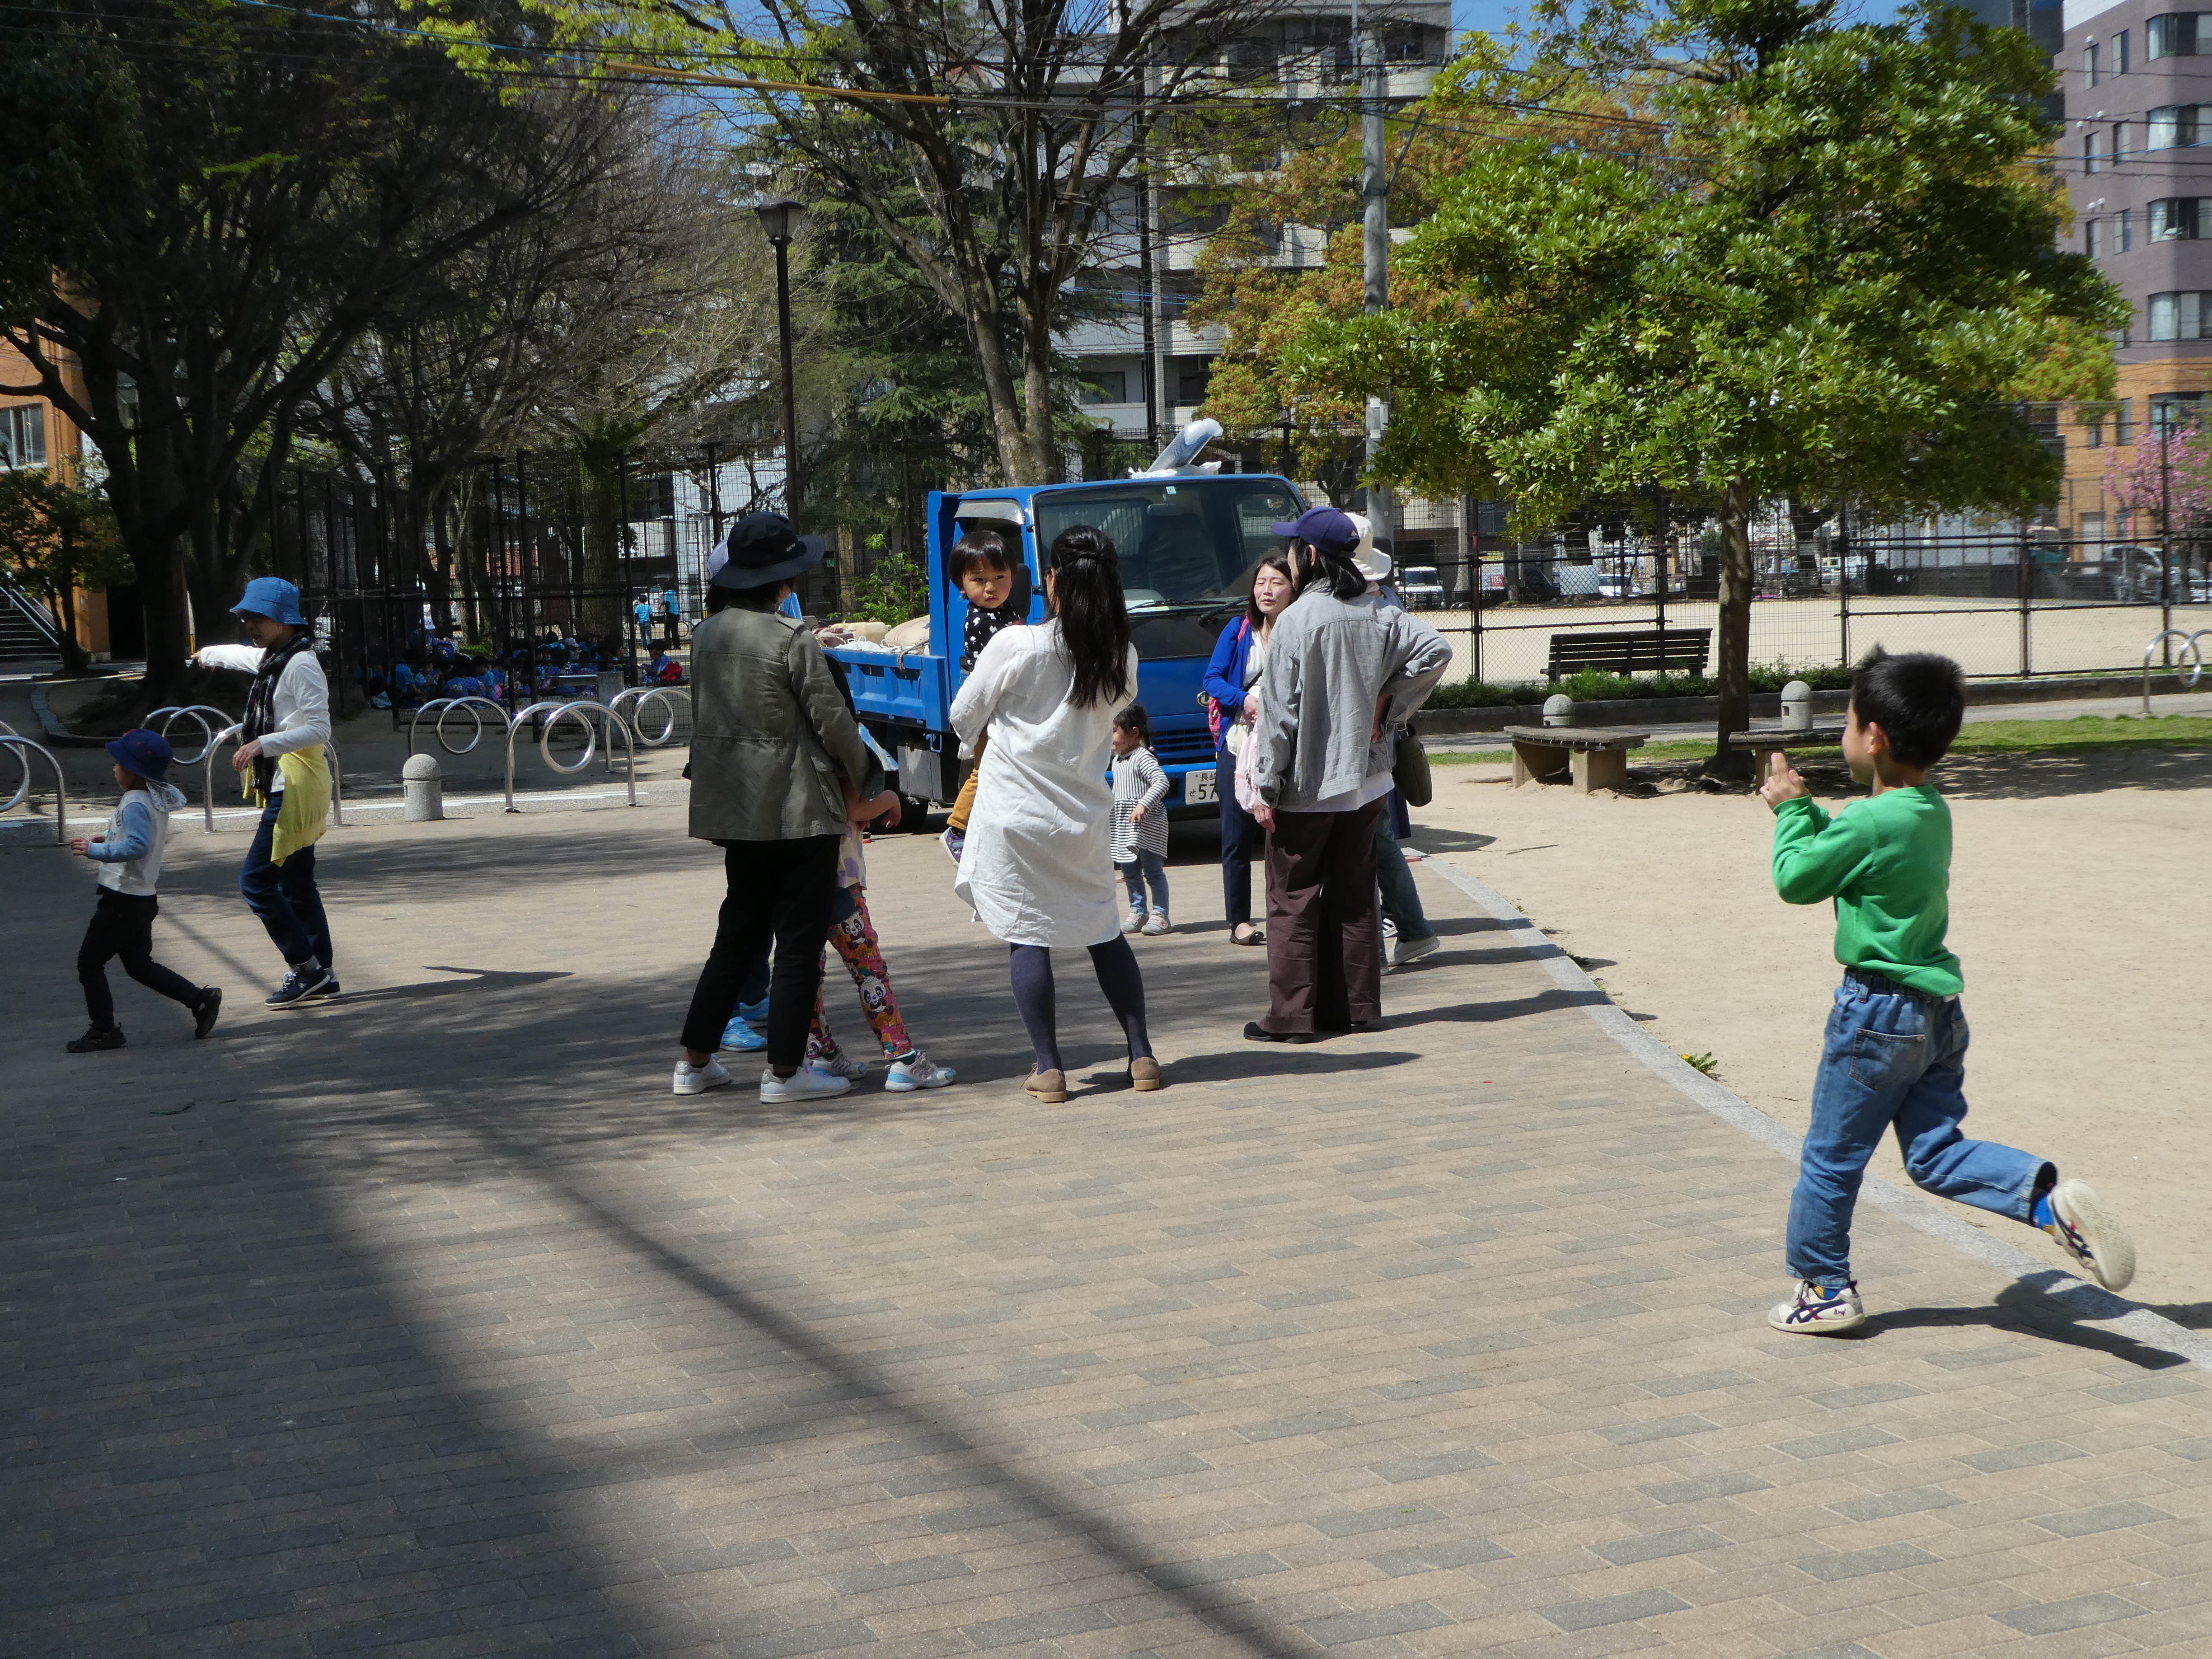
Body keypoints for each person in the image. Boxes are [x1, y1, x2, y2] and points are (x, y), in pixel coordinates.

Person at [1759, 648, 2135, 1334]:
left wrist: (1788, 812)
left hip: (1874, 1016)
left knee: (1829, 1161)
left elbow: (1798, 881)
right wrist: (1812, 813)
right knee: (1935, 1154)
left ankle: (1823, 1287)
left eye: (1847, 722)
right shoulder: (1928, 811)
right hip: (1935, 1016)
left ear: (1873, 737)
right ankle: (2048, 1202)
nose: (1843, 735)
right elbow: (1847, 865)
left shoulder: (1872, 822)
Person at [673, 512, 884, 1102]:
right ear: (782, 581)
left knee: (737, 935)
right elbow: (832, 719)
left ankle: (694, 1063)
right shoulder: (791, 640)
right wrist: (869, 776)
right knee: (796, 943)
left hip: (736, 810)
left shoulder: (706, 636)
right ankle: (786, 1073)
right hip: (798, 809)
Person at [951, 524, 1159, 1101]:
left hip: (1015, 814)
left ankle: (1050, 1069)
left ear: (1052, 581)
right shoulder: (1123, 654)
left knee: (1028, 936)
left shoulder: (1017, 644)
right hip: (1084, 814)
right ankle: (1141, 1056)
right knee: (1104, 933)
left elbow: (962, 716)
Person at [1245, 507, 1451, 1043]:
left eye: (1294, 548)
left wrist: (1265, 785)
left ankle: (1292, 1017)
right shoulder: (1379, 609)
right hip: (1368, 779)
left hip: (1307, 784)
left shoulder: (1296, 619)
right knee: (1356, 894)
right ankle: (1358, 1007)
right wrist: (1392, 706)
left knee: (1291, 898)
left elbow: (1279, 714)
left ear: (1309, 556)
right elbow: (1437, 650)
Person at [193, 578, 338, 1007]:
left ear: (284, 619)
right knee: (296, 885)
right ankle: (323, 974)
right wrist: (207, 655)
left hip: (296, 782)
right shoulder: (277, 658)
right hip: (291, 780)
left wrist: (263, 743)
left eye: (257, 617)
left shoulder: (300, 664)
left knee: (256, 883)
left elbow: (319, 729)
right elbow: (244, 656)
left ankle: (306, 969)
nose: (249, 624)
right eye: (245, 617)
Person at [65, 729, 222, 1052]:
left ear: (133, 770)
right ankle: (199, 1000)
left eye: (118, 764)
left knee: (89, 964)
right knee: (138, 964)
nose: (114, 769)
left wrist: (95, 852)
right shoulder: (153, 797)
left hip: (122, 899)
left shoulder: (135, 802)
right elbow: (131, 836)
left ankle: (104, 1029)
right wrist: (105, 840)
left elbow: (137, 845)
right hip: (141, 898)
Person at [803, 784, 958, 1092]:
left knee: (807, 970)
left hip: (796, 876)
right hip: (839, 879)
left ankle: (820, 1049)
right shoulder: (834, 737)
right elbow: (853, 808)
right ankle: (903, 1058)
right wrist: (890, 799)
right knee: (869, 970)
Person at [1347, 520, 1440, 971]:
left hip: (1369, 752)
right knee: (1378, 840)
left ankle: (1401, 932)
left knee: (1373, 840)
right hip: (1372, 748)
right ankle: (1412, 930)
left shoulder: (1381, 611)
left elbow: (1436, 652)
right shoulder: (1378, 606)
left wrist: (1389, 703)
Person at [1202, 553, 1296, 947]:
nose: (1267, 590)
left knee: (1286, 834)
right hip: (1239, 743)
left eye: (1276, 582)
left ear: (1293, 588)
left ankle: (1288, 914)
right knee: (1236, 836)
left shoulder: (1301, 628)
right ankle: (1238, 921)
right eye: (1261, 583)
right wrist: (1244, 700)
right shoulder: (1239, 630)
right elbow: (1213, 679)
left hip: (1289, 744)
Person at [941, 530, 1026, 866]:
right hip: (991, 709)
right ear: (962, 585)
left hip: (1007, 706)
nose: (990, 587)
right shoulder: (981, 620)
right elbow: (994, 674)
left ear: (1013, 577)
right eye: (979, 579)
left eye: (999, 577)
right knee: (984, 769)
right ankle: (957, 829)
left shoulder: (1006, 612)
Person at [1110, 704, 1171, 935]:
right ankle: (1138, 911)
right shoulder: (1117, 761)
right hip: (1126, 827)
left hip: (1149, 826)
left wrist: (1143, 804)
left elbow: (1161, 782)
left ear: (1134, 733)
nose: (1111, 738)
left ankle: (1161, 914)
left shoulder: (1142, 757)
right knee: (1130, 872)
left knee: (1153, 871)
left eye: (1115, 731)